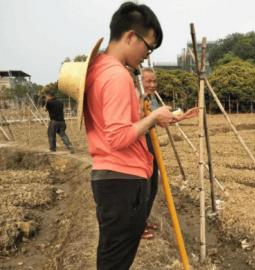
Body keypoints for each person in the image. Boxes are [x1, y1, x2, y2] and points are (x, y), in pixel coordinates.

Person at [83, 3, 179, 269]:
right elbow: (117, 137)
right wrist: (152, 118)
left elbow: (113, 126)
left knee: (110, 256)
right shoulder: (117, 75)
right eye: (148, 48)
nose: (146, 57)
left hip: (109, 180)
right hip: (123, 183)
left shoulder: (98, 71)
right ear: (130, 36)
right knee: (116, 262)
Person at [139, 68, 198, 240]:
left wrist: (181, 117)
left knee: (154, 185)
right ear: (138, 82)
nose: (152, 84)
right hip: (139, 143)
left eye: (154, 81)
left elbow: (160, 120)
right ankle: (136, 227)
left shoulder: (152, 100)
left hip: (151, 141)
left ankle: (144, 219)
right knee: (144, 187)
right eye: (148, 81)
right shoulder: (134, 98)